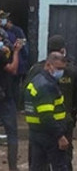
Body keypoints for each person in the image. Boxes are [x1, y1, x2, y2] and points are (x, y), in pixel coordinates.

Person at [26, 35, 77, 171]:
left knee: (37, 163)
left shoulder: (35, 71)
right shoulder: (70, 70)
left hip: (37, 128)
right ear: (63, 50)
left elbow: (25, 96)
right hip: (58, 125)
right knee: (62, 162)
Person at [25, 52, 68, 171]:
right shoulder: (47, 86)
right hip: (50, 135)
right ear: (48, 65)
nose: (61, 72)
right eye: (59, 68)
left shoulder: (36, 80)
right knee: (59, 166)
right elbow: (46, 116)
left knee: (38, 167)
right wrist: (60, 136)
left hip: (36, 133)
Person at [0, 36, 22, 170]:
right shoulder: (1, 55)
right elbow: (13, 69)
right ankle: (13, 167)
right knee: (12, 134)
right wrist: (16, 52)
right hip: (5, 99)